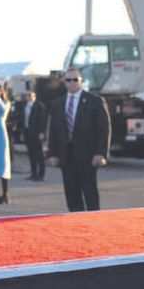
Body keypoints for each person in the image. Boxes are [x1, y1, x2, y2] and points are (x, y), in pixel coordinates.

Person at [46, 68, 111, 212]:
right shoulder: (58, 103)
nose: (72, 83)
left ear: (81, 81)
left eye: (75, 79)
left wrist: (101, 153)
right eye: (68, 80)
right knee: (71, 194)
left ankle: (94, 223)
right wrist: (52, 154)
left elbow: (104, 129)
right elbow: (54, 131)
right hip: (66, 156)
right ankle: (76, 223)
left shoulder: (95, 101)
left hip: (88, 156)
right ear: (64, 82)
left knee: (90, 193)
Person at [23, 91, 49, 181]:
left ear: (34, 96)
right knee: (31, 154)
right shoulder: (26, 106)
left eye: (29, 95)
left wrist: (42, 132)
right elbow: (24, 120)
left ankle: (41, 175)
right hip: (28, 132)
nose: (27, 97)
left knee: (39, 154)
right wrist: (23, 133)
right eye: (26, 95)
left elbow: (43, 120)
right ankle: (33, 173)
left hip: (37, 132)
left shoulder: (39, 106)